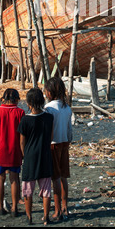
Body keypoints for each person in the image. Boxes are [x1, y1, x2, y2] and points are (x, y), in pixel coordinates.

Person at [18, 88, 54, 225]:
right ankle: (46, 217)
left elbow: (22, 141)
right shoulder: (49, 118)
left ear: (28, 103)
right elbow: (51, 137)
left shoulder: (25, 120)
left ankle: (29, 217)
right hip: (45, 155)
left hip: (30, 157)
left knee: (28, 189)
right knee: (46, 189)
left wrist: (24, 155)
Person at [0, 88, 25, 217]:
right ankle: (15, 207)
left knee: (0, 177)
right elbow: (22, 136)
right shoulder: (20, 112)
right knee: (14, 179)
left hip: (1, 150)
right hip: (15, 150)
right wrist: (23, 152)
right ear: (16, 99)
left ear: (3, 98)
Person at [44, 77, 73, 221]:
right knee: (63, 177)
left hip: (53, 144)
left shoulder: (49, 108)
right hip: (65, 143)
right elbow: (69, 129)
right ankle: (65, 206)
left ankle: (56, 210)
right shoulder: (67, 107)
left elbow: (47, 130)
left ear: (50, 92)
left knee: (54, 178)